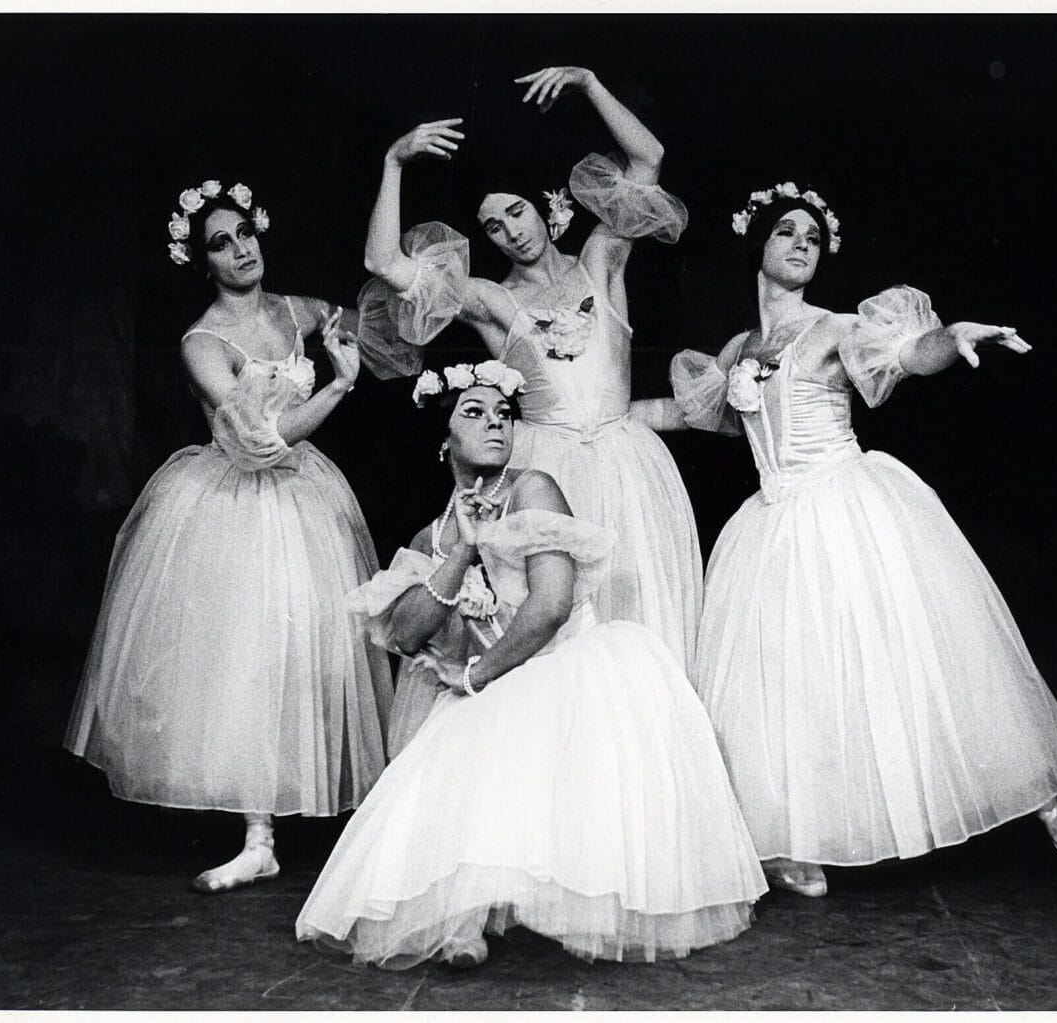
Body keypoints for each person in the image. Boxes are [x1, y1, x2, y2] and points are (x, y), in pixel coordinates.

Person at [634, 181, 1057, 896]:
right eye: (788, 232)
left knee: (927, 662)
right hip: (772, 523)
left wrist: (953, 338)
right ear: (758, 246)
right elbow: (698, 414)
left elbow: (906, 350)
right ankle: (793, 835)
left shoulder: (832, 328)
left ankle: (1050, 809)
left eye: (813, 238)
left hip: (845, 504)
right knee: (789, 684)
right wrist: (605, 418)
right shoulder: (738, 347)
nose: (802, 244)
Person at [295, 361, 766, 970]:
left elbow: (550, 605)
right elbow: (407, 636)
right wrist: (463, 548)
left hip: (564, 660)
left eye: (504, 414)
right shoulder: (427, 537)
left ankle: (523, 903)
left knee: (492, 716)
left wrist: (477, 675)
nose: (495, 423)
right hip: (491, 676)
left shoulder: (532, 488)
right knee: (454, 732)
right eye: (475, 413)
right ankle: (464, 914)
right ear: (444, 441)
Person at [65, 179, 399, 893]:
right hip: (236, 498)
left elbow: (370, 321)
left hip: (307, 498)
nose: (240, 249)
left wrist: (355, 335)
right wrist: (337, 387)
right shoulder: (202, 341)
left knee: (313, 648)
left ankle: (352, 824)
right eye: (221, 242)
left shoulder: (295, 308)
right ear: (201, 259)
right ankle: (258, 835)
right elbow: (261, 439)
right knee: (247, 654)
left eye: (245, 233)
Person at [357, 66, 702, 677]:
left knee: (643, 634)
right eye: (493, 225)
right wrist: (394, 161)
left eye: (516, 212)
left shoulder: (600, 260)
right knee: (564, 645)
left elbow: (649, 160)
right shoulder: (494, 301)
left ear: (544, 206)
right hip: (550, 472)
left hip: (629, 467)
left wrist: (590, 83)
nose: (511, 232)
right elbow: (383, 262)